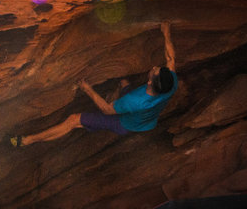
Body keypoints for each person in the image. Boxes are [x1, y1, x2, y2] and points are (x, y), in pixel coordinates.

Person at [10, 22, 177, 146]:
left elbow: (107, 110)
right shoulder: (170, 83)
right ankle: (110, 99)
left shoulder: (134, 100)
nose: (155, 67)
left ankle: (27, 140)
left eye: (155, 71)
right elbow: (171, 58)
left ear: (149, 82)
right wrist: (166, 31)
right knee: (124, 82)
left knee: (74, 120)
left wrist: (87, 89)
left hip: (123, 124)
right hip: (146, 122)